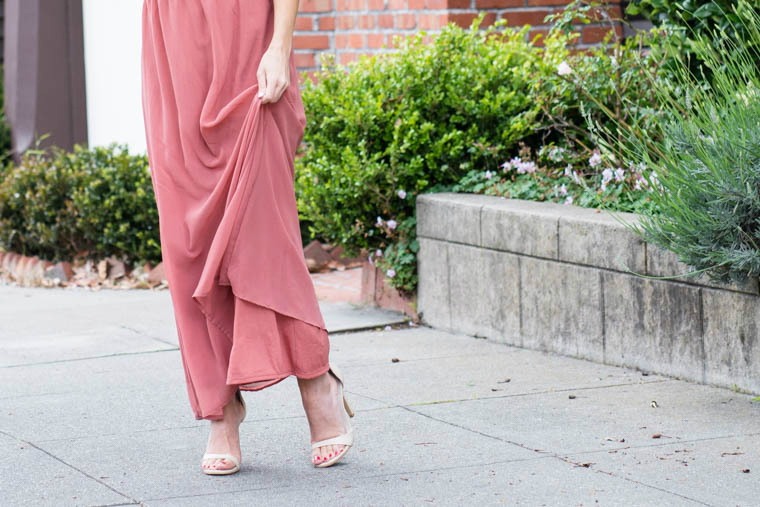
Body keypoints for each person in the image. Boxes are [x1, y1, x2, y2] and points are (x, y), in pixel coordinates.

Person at [140, 0, 354, 475]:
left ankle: (317, 383)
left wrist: (280, 46)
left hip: (249, 44)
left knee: (263, 233)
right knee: (186, 242)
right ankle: (222, 407)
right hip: (175, 47)